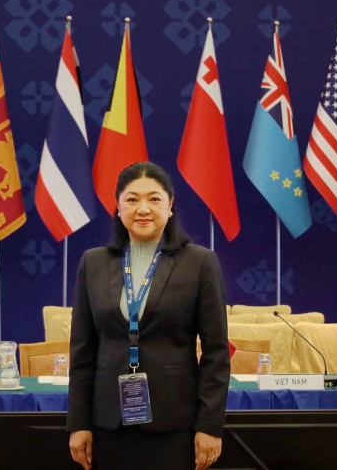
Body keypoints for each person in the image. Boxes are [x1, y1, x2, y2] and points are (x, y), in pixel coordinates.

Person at [67, 161, 231, 470]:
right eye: (132, 199)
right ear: (118, 207)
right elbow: (82, 351)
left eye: (154, 199)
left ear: (170, 206)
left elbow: (216, 352)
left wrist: (210, 426)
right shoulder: (93, 263)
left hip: (175, 424)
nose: (143, 209)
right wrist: (78, 423)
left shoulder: (199, 263)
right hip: (108, 424)